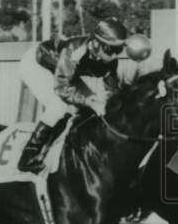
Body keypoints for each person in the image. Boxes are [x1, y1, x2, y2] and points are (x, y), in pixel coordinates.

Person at [17, 18, 150, 173]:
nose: (114, 56)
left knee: (92, 106)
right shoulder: (75, 53)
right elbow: (62, 88)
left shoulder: (110, 60)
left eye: (118, 50)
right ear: (96, 43)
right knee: (59, 106)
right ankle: (27, 156)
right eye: (110, 50)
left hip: (63, 71)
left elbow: (111, 92)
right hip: (36, 64)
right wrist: (89, 101)